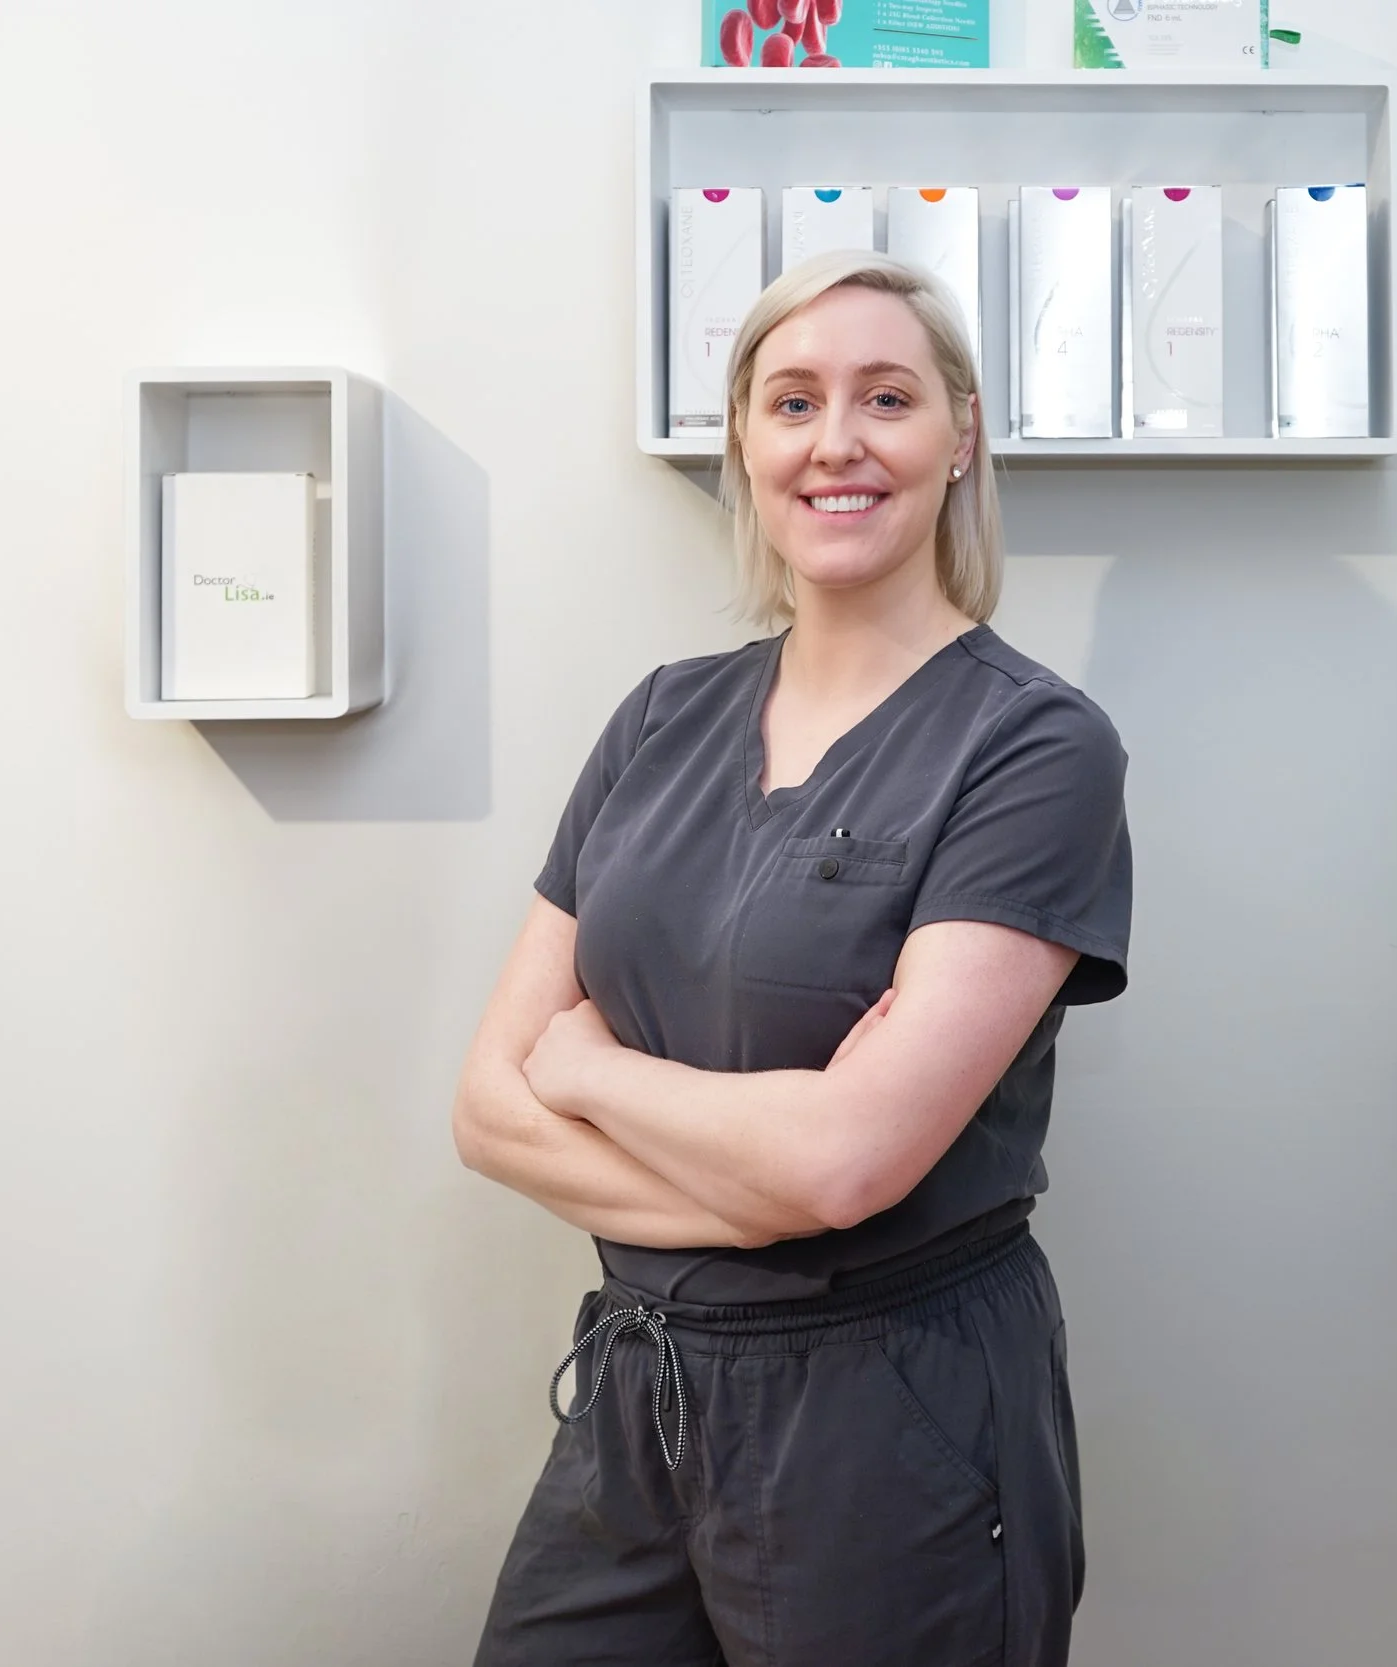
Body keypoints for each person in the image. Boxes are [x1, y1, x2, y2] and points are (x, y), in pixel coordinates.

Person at [453, 248, 1133, 1667]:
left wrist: (587, 1064)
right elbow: (487, 1108)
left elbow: (844, 1165)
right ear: (748, 447)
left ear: (962, 438)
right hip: (641, 1390)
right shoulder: (661, 720)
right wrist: (768, 1192)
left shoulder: (1033, 748)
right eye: (792, 401)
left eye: (886, 398)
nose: (837, 441)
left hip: (893, 1418)